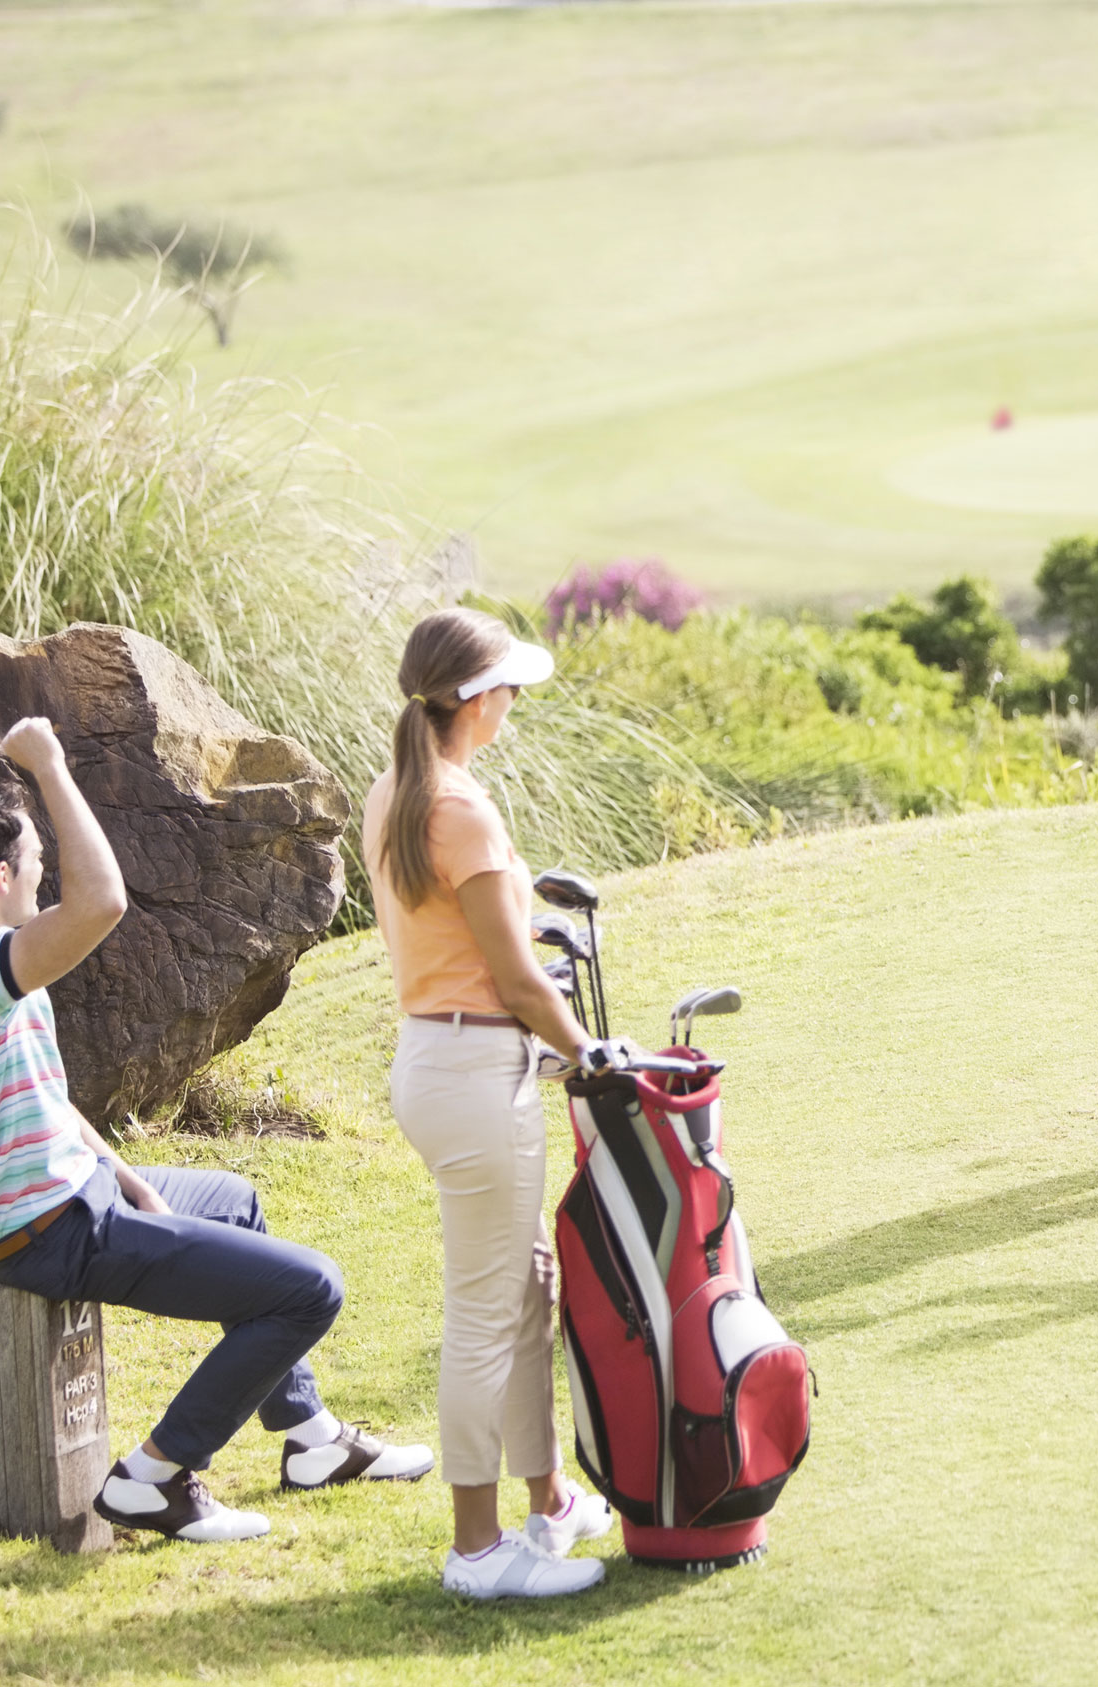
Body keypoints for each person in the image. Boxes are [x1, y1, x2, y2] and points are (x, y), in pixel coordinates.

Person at [0, 719, 433, 1546]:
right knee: (310, 1288)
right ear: (2, 874)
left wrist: (120, 1170)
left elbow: (44, 1095)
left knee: (236, 1201)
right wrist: (48, 765)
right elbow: (103, 901)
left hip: (76, 1194)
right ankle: (154, 1475)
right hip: (50, 1231)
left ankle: (310, 1440)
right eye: (37, 862)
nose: (46, 874)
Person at [362, 607, 627, 1600]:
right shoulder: (457, 808)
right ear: (474, 699)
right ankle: (477, 1552)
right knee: (485, 1313)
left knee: (528, 1291)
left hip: (446, 1064)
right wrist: (587, 1049)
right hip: (475, 1074)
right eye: (507, 686)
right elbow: (515, 978)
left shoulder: (397, 788)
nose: (515, 699)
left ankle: (548, 1501)